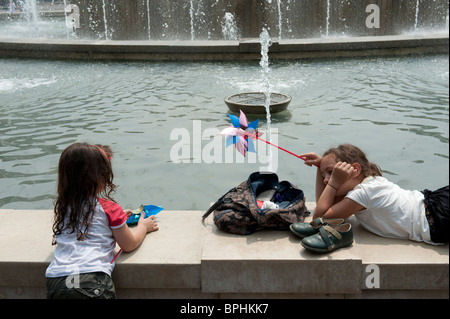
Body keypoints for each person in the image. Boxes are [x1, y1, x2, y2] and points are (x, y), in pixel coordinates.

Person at [45, 143, 159, 299]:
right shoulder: (109, 209)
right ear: (99, 177)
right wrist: (144, 227)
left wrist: (114, 221)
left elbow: (89, 224)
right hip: (92, 281)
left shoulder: (65, 208)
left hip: (57, 281)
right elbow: (129, 244)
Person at [296, 144, 448, 245]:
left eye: (331, 173)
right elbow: (326, 205)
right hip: (431, 203)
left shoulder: (365, 193)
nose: (327, 180)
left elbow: (320, 218)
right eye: (324, 176)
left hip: (436, 218)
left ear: (355, 170)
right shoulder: (368, 184)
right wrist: (319, 167)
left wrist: (334, 182)